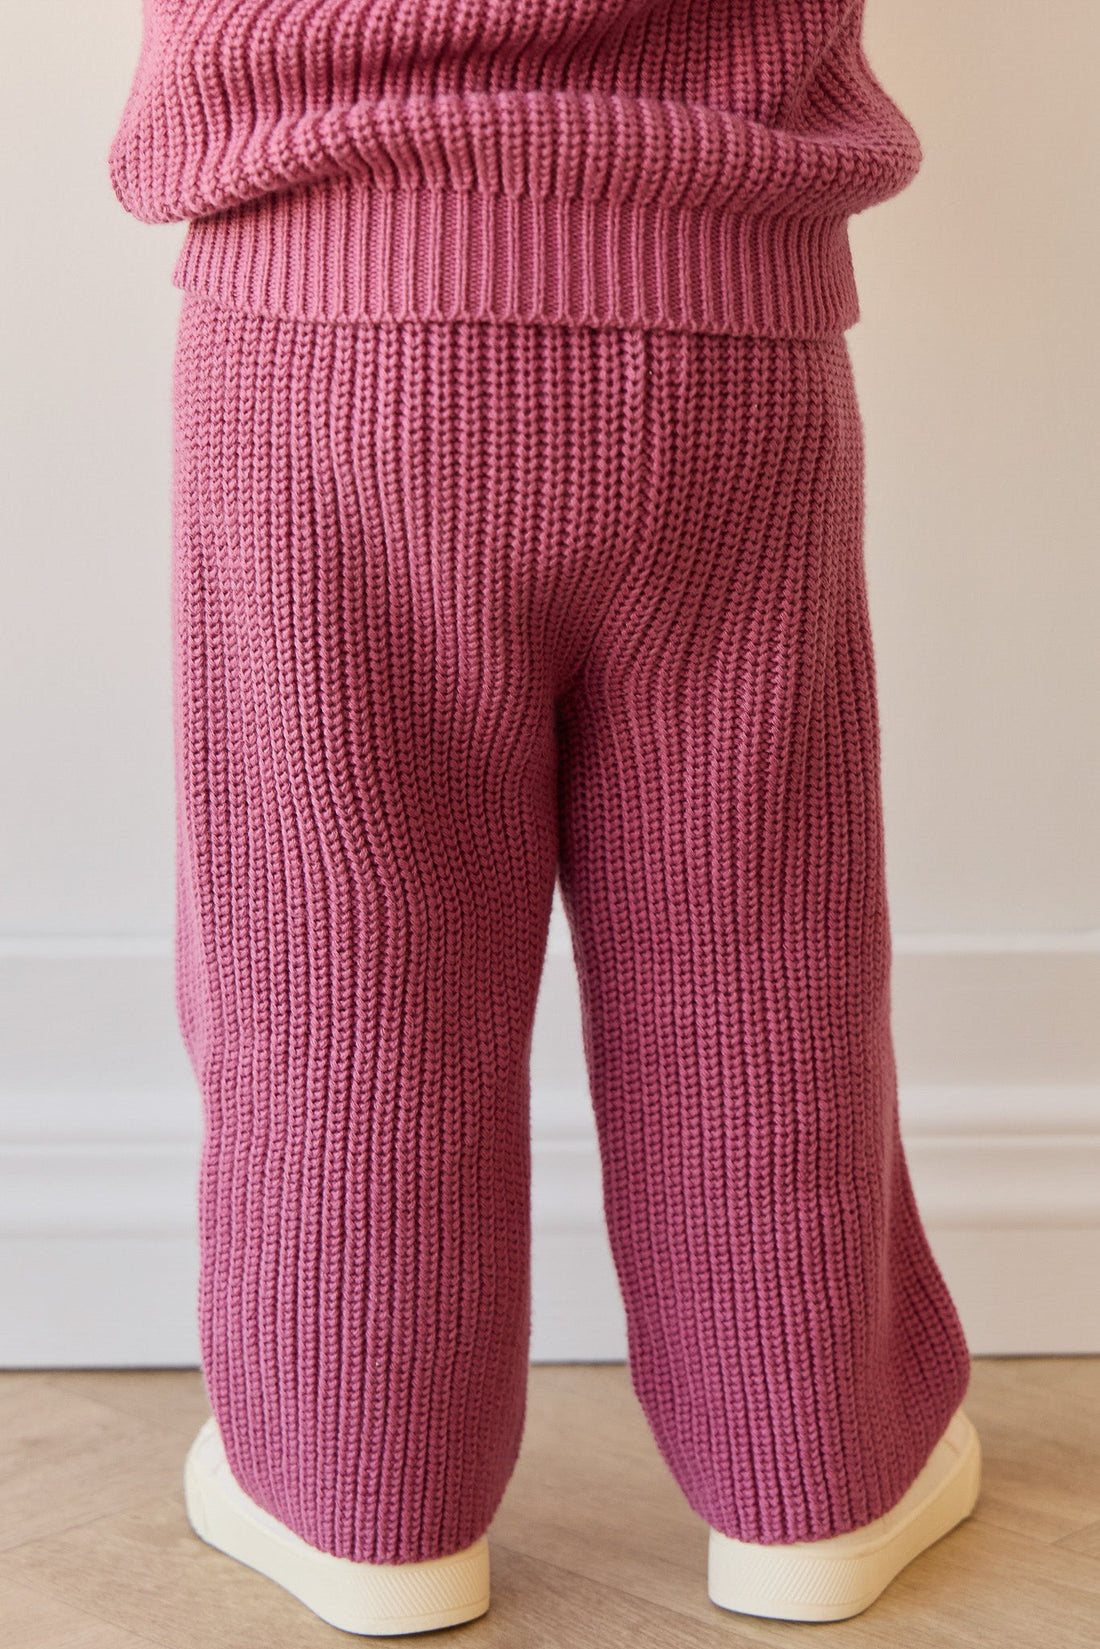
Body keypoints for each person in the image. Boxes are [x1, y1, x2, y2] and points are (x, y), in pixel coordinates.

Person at [107, 1, 981, 1632]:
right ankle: (815, 1488)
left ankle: (360, 1502)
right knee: (756, 936)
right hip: (732, 331)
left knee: (336, 945)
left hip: (325, 323)